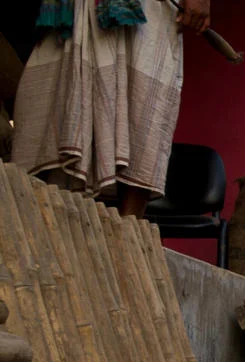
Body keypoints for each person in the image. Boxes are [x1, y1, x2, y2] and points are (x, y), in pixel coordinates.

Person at [13, 0, 211, 217]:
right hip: (75, 8)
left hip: (150, 10)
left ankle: (129, 234)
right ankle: (44, 226)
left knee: (143, 110)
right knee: (47, 107)